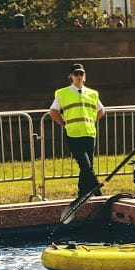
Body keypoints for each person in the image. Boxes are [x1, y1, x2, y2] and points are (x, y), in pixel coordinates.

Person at [48, 63, 106, 198]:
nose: (79, 76)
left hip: (89, 133)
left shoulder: (92, 93)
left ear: (84, 76)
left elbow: (101, 110)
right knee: (86, 166)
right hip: (73, 134)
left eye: (81, 74)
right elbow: (53, 111)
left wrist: (91, 121)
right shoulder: (63, 93)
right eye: (76, 74)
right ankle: (97, 192)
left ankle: (83, 193)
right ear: (71, 76)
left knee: (87, 166)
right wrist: (64, 123)